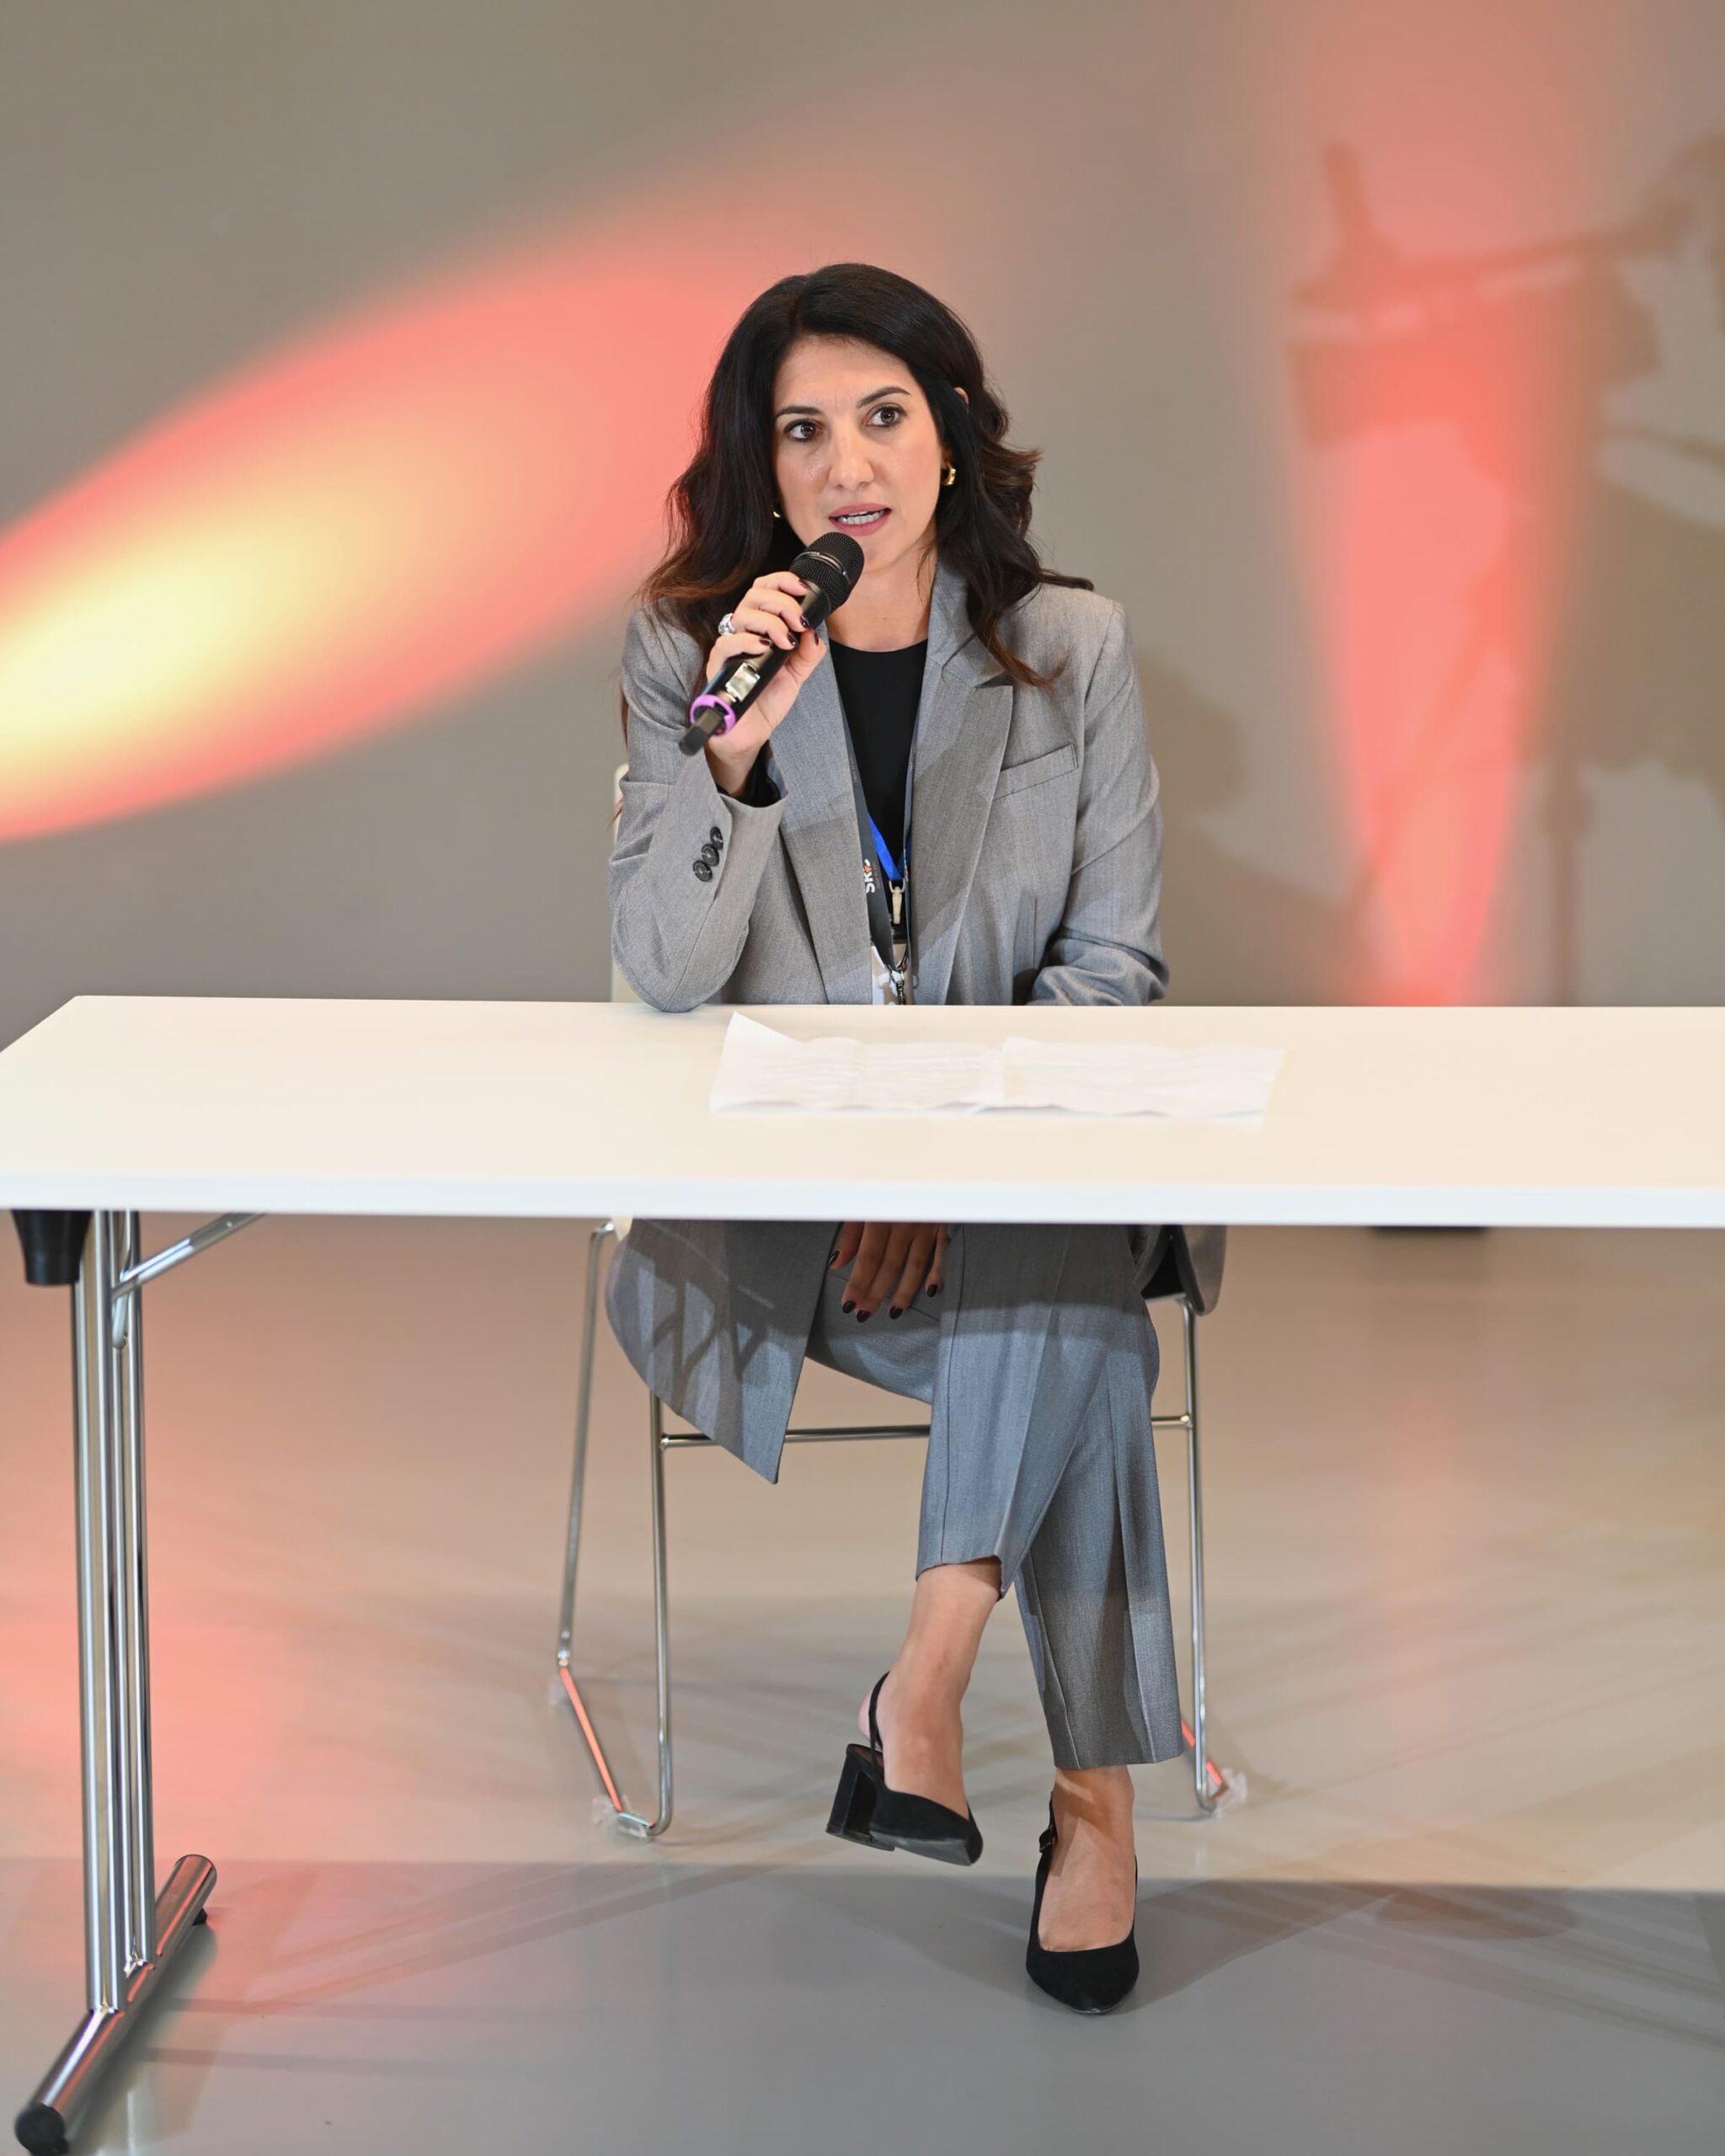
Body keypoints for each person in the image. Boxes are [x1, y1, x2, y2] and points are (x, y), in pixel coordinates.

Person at [604, 261, 1183, 2013]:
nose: (846, 464)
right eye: (803, 431)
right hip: (787, 1229)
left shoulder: (1071, 649)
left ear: (951, 437)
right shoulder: (691, 653)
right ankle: (1091, 1805)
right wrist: (734, 758)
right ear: (762, 465)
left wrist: (942, 1163)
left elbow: (1113, 973)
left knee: (1061, 1264)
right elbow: (662, 971)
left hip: (1008, 1191)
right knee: (1089, 1322)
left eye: (882, 417)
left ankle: (925, 1688)